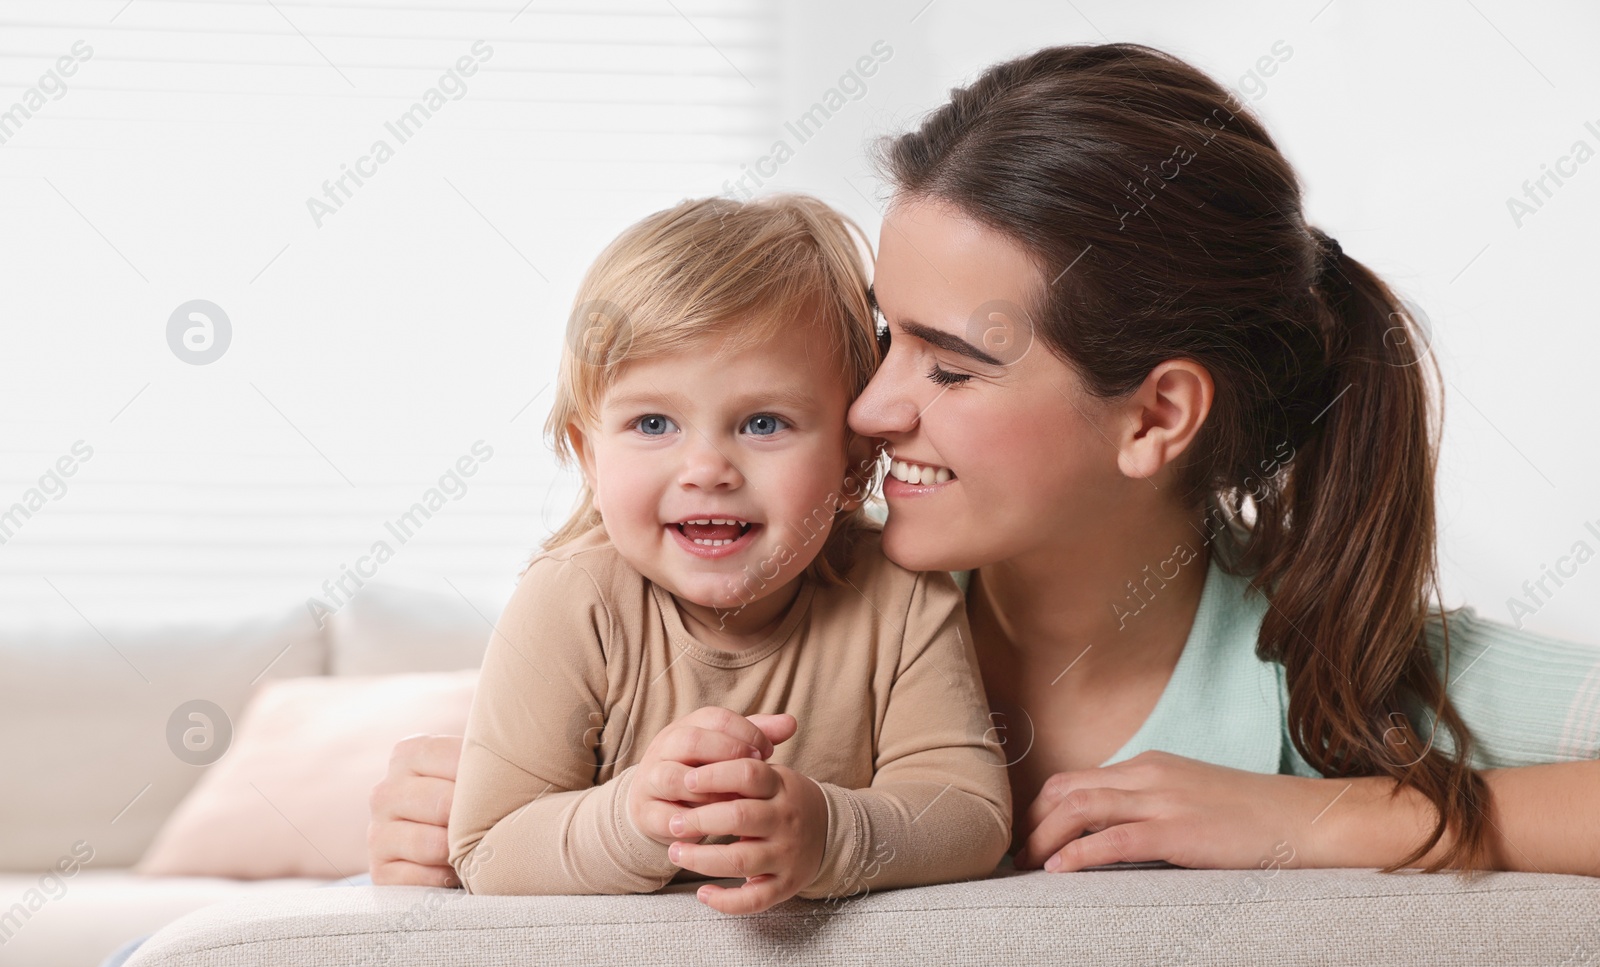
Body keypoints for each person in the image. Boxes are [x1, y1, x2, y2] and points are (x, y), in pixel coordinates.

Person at [370, 43, 1600, 889]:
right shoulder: (795, 591)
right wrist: (477, 810)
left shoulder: (1338, 668)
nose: (867, 405)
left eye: (950, 367)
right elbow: (535, 783)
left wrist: (1330, 815)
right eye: (880, 336)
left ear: (1154, 416)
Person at [444, 193, 1010, 914]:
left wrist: (831, 832)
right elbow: (487, 846)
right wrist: (639, 821)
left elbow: (972, 813)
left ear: (851, 461)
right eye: (654, 422)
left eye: (763, 422)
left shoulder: (900, 592)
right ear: (590, 457)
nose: (707, 467)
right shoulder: (571, 600)